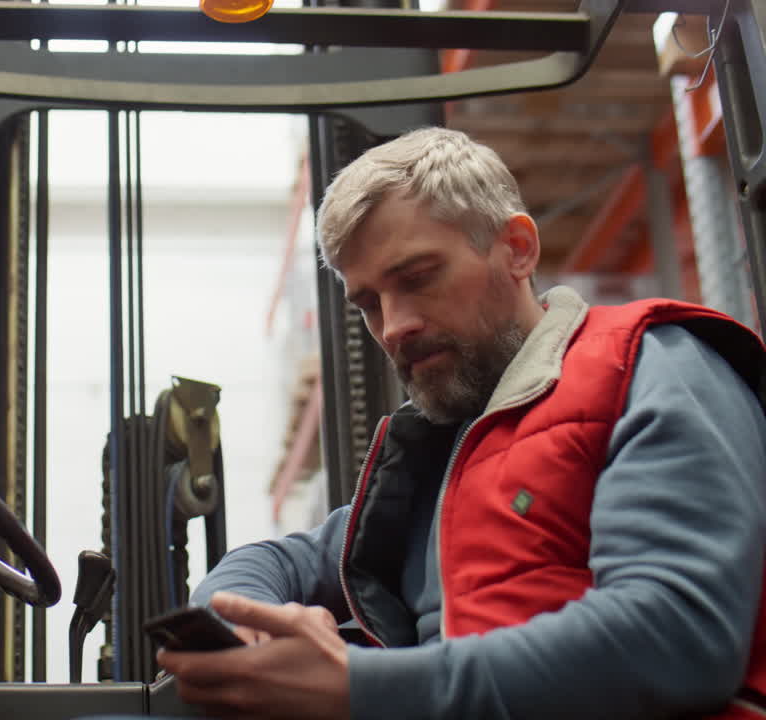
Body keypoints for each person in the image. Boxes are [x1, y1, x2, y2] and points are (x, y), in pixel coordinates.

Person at [155, 127, 766, 719]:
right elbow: (281, 563)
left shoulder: (650, 366)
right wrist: (241, 619)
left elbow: (677, 635)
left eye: (418, 278)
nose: (393, 327)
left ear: (518, 249)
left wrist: (363, 689)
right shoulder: (444, 459)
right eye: (369, 303)